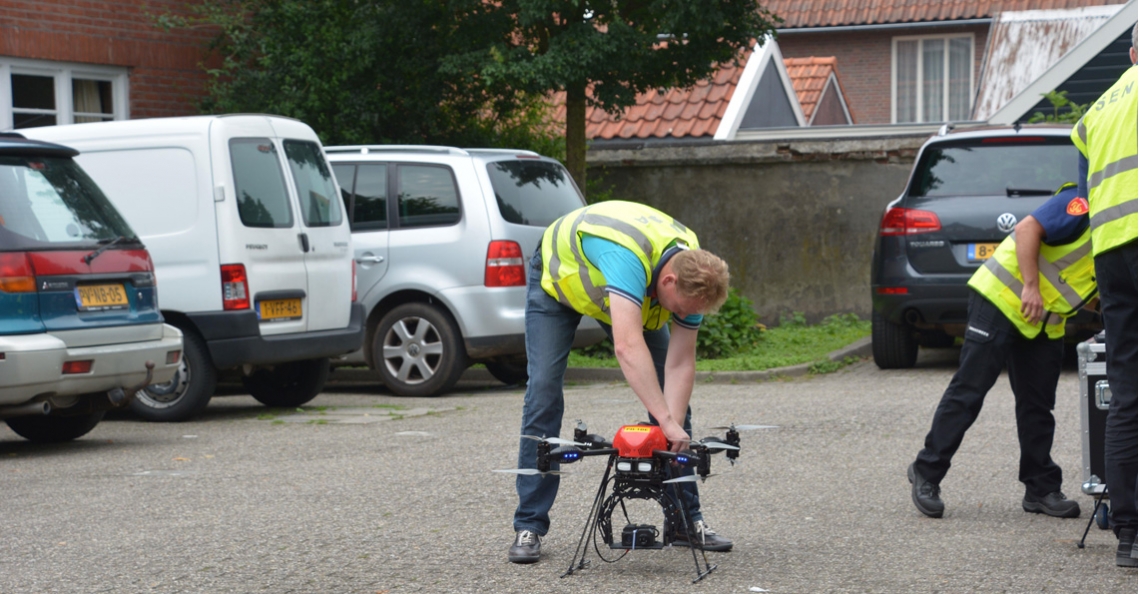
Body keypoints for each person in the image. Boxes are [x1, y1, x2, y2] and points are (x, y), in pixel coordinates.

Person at [508, 200, 732, 564]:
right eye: (682, 308)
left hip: (620, 289)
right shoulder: (626, 256)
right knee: (544, 391)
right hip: (559, 284)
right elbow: (628, 346)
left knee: (674, 412)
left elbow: (679, 362)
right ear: (668, 281)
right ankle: (529, 524)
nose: (686, 316)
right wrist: (667, 420)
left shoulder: (694, 272)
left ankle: (684, 522)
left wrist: (670, 426)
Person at [908, 183, 1097, 521]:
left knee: (1038, 405)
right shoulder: (1082, 202)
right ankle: (926, 472)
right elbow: (1027, 229)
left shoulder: (1120, 232)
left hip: (1042, 319)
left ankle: (1040, 488)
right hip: (1002, 298)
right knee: (970, 390)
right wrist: (1030, 286)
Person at [1070, 22, 1138, 568]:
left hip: (1112, 254)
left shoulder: (1097, 109)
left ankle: (1130, 538)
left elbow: (1084, 194)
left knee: (1126, 395)